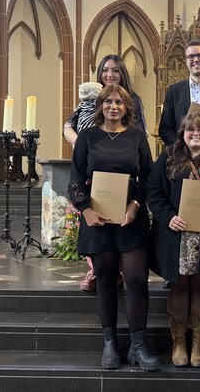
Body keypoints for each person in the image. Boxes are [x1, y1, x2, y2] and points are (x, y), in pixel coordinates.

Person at [67, 84, 160, 371]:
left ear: (126, 107)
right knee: (105, 279)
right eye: (108, 102)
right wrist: (86, 210)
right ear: (100, 107)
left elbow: (149, 178)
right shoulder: (88, 138)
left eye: (119, 102)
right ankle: (110, 342)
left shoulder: (136, 137)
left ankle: (138, 345)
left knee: (135, 279)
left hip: (130, 220)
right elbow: (75, 179)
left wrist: (134, 205)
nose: (113, 106)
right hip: (99, 220)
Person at [146, 112, 200, 368]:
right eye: (190, 130)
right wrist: (168, 217)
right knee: (179, 286)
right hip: (177, 236)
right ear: (182, 134)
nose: (195, 134)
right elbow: (153, 191)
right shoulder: (168, 158)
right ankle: (179, 342)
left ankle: (198, 342)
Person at [65, 54, 147, 293]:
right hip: (93, 174)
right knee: (102, 256)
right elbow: (68, 125)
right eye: (105, 70)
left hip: (123, 175)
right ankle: (97, 270)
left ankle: (119, 273)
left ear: (122, 73)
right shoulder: (89, 98)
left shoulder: (133, 102)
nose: (109, 75)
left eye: (115, 70)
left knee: (132, 268)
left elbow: (138, 135)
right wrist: (82, 142)